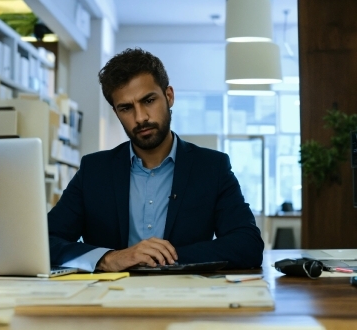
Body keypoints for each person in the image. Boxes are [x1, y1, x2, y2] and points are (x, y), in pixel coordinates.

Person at [48, 48, 264, 272]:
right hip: (111, 300)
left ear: (169, 96)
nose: (140, 117)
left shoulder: (211, 167)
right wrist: (109, 258)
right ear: (116, 112)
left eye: (149, 100)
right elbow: (46, 240)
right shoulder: (94, 171)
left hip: (185, 297)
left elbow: (247, 245)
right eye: (126, 108)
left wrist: (163, 257)